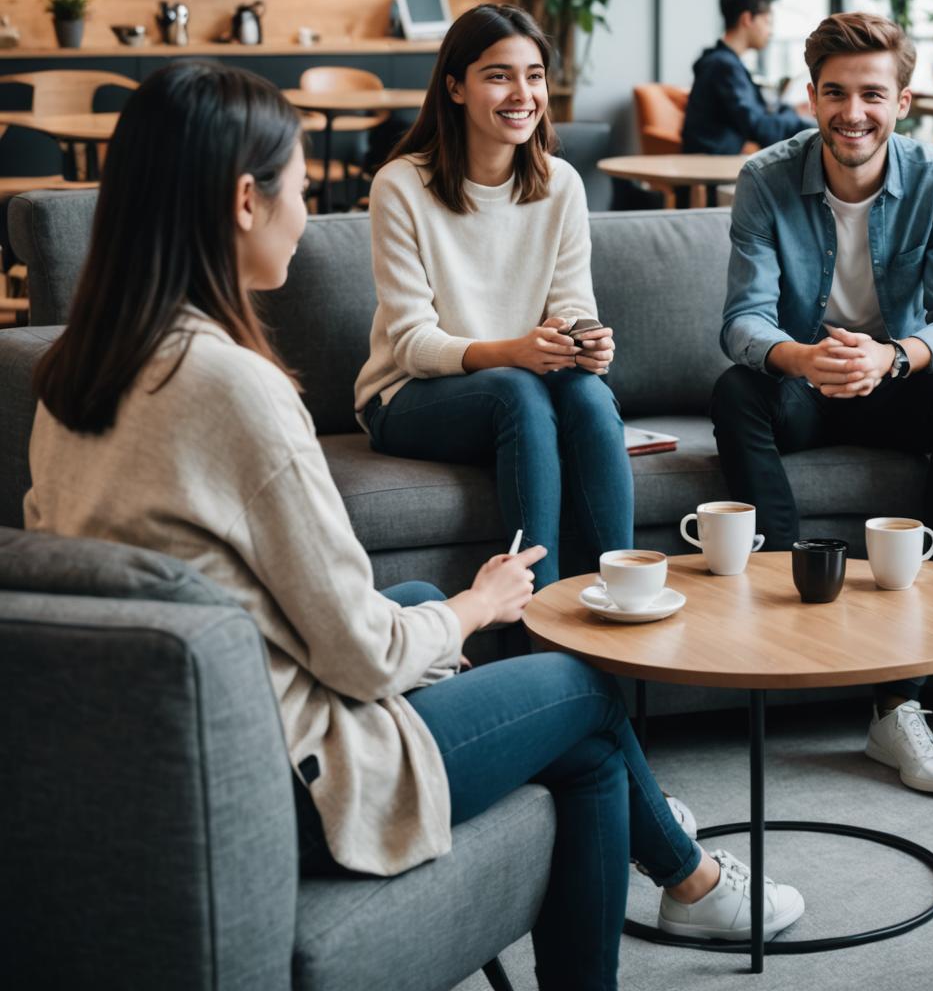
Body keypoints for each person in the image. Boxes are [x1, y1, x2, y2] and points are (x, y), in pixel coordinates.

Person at [25, 61, 805, 982]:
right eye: (300, 189)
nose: (306, 214)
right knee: (581, 699)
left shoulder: (74, 375)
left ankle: (686, 876)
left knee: (426, 597)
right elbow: (360, 655)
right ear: (245, 200)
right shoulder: (233, 389)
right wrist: (482, 607)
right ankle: (690, 880)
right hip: (288, 773)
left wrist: (446, 610)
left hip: (171, 741)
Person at [711, 11, 933, 795]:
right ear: (810, 96)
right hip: (804, 381)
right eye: (834, 93)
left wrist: (890, 356)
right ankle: (797, 615)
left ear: (903, 100)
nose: (853, 112)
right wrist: (804, 358)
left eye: (873, 93)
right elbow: (743, 321)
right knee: (739, 392)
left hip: (896, 382)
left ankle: (900, 701)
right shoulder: (767, 177)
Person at [356, 3, 630, 593]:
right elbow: (410, 343)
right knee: (518, 390)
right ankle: (540, 613)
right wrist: (515, 352)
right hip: (405, 397)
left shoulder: (561, 185)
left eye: (534, 76)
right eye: (499, 75)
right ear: (455, 87)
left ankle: (624, 596)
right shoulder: (401, 185)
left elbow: (571, 304)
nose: (523, 93)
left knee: (587, 394)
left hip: (521, 378)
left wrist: (583, 341)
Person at [681, 0, 813, 155]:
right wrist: (794, 115)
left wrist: (790, 111)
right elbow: (759, 128)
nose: (770, 31)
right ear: (747, 19)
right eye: (767, 21)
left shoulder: (721, 62)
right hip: (714, 169)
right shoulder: (723, 66)